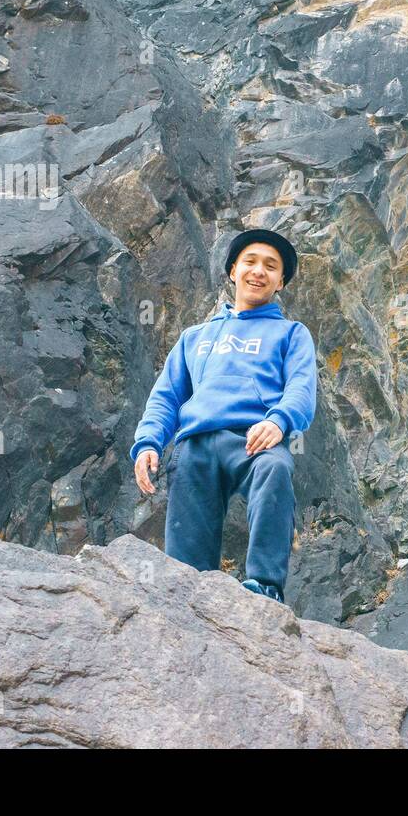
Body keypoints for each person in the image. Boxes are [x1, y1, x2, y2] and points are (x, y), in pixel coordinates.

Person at [130, 228, 317, 603]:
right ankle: (188, 602)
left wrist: (278, 421)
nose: (258, 271)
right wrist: (148, 442)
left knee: (276, 470)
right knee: (186, 574)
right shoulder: (194, 338)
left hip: (255, 438)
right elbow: (165, 397)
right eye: (250, 262)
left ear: (281, 282)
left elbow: (301, 387)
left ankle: (265, 586)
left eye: (271, 266)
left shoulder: (292, 334)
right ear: (233, 271)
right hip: (195, 445)